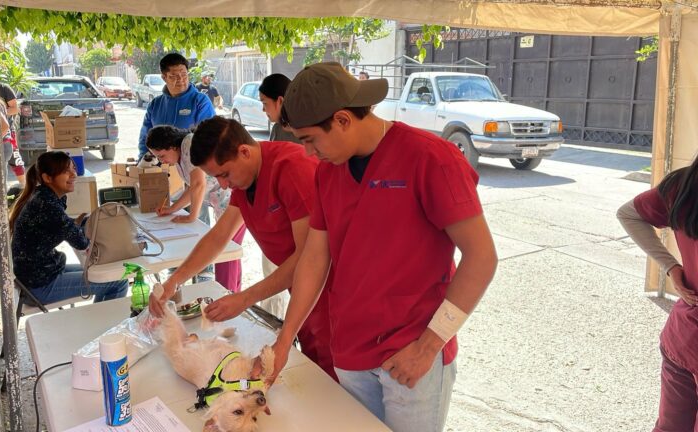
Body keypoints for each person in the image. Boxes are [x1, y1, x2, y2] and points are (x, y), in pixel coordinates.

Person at [267, 62, 498, 432]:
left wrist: (428, 346)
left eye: (310, 139)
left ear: (342, 120)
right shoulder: (330, 170)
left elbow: (482, 257)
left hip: (411, 353)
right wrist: (285, 338)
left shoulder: (430, 158)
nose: (308, 154)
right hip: (350, 349)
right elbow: (315, 256)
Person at [148, 116, 336, 380]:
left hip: (331, 294)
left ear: (244, 152)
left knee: (334, 385)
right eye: (217, 178)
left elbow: (311, 258)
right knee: (311, 372)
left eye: (224, 175)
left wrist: (245, 298)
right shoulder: (246, 176)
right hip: (300, 292)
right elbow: (219, 235)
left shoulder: (292, 168)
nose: (223, 185)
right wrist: (175, 280)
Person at [617, 157, 698, 432]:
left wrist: (671, 266)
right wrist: (671, 266)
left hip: (682, 335)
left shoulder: (685, 184)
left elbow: (628, 213)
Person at [9, 151, 128, 304]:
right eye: (66, 171)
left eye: (73, 169)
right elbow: (81, 242)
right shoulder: (47, 205)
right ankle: (103, 324)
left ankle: (99, 319)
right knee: (118, 282)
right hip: (40, 286)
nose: (74, 174)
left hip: (41, 273)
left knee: (104, 273)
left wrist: (84, 223)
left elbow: (66, 225)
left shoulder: (42, 196)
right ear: (47, 178)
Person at [145, 125, 245, 293]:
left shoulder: (189, 145)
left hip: (234, 201)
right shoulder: (180, 156)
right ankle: (231, 293)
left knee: (225, 253)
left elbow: (199, 184)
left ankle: (227, 294)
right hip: (224, 202)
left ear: (172, 146)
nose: (161, 161)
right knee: (228, 252)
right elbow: (192, 188)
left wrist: (192, 216)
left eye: (162, 155)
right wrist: (172, 208)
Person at [137, 53, 215, 159]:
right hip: (160, 167)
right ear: (164, 77)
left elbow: (209, 137)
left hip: (192, 165)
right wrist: (144, 160)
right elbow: (145, 139)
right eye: (173, 76)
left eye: (184, 74)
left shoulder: (200, 101)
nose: (180, 79)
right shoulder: (155, 104)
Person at [258, 73, 300, 144]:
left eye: (265, 103)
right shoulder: (277, 129)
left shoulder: (308, 132)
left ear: (280, 101)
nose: (263, 109)